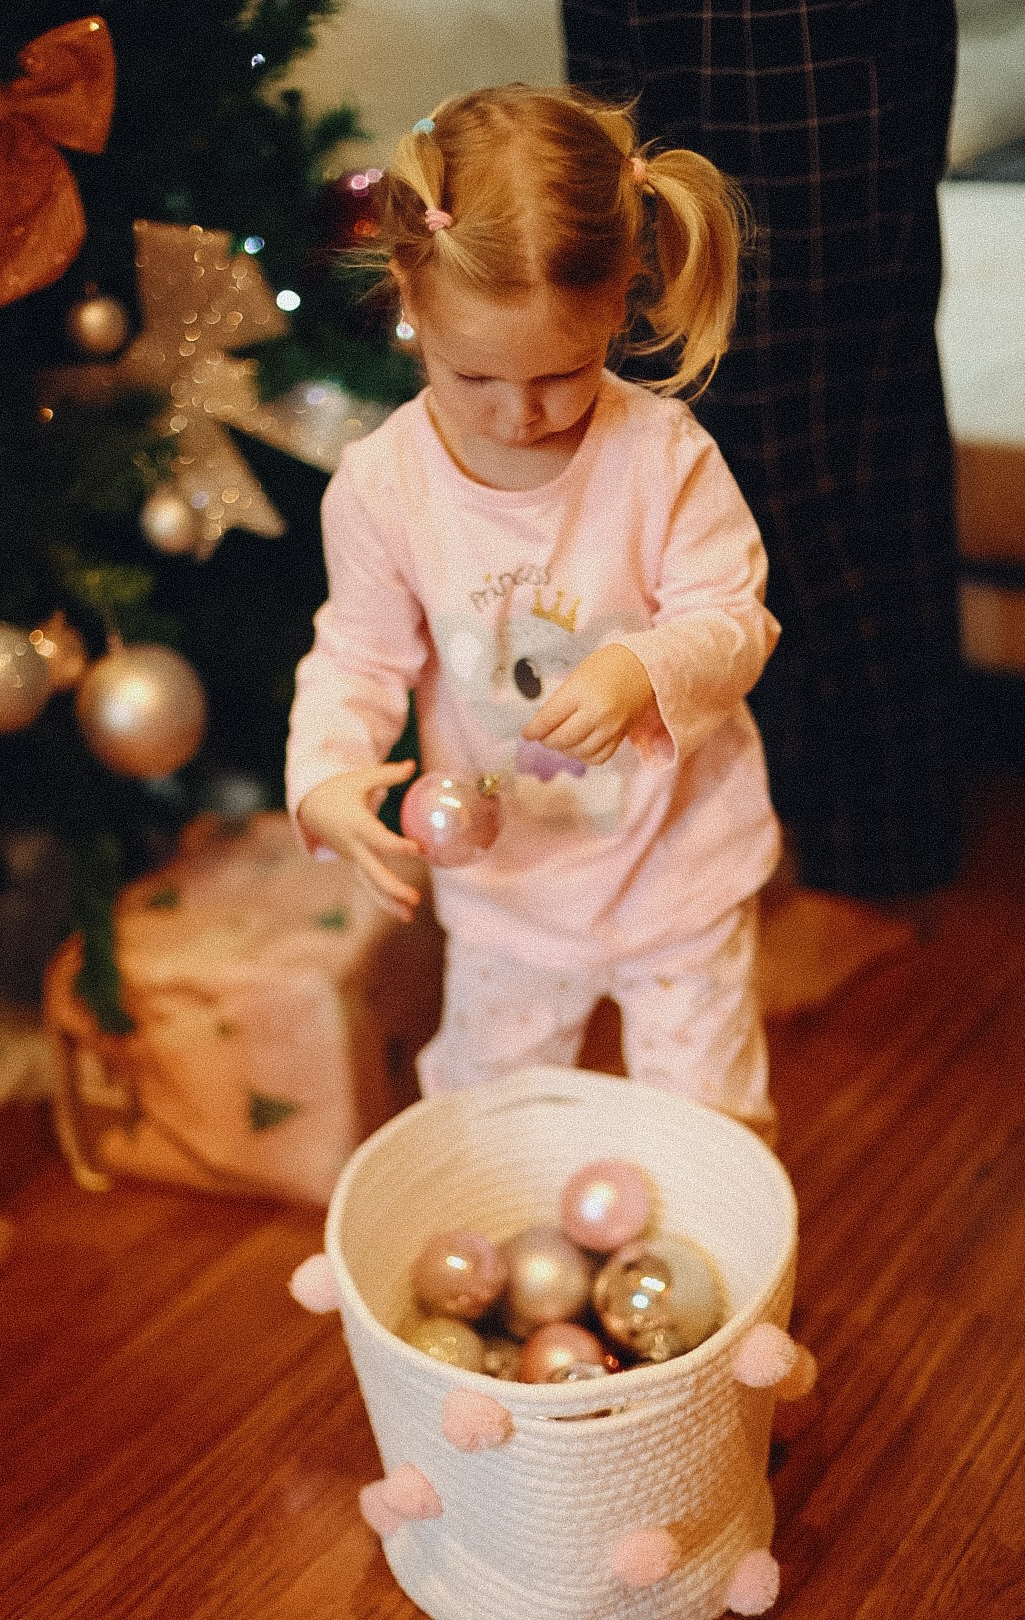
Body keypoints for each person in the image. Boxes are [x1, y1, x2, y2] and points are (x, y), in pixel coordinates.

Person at [286, 85, 781, 1137]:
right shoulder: (382, 487)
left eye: (564, 372)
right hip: (508, 888)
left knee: (712, 1120)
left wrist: (643, 668)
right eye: (474, 377)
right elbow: (358, 657)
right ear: (409, 302)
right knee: (484, 1111)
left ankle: (724, 1295)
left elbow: (736, 618)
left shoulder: (662, 457)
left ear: (619, 304)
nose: (522, 415)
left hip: (676, 870)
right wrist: (324, 776)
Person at [561, 0, 964, 909]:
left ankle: (870, 874)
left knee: (830, 433)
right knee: (657, 381)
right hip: (650, 31)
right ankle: (722, 838)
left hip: (802, 36)